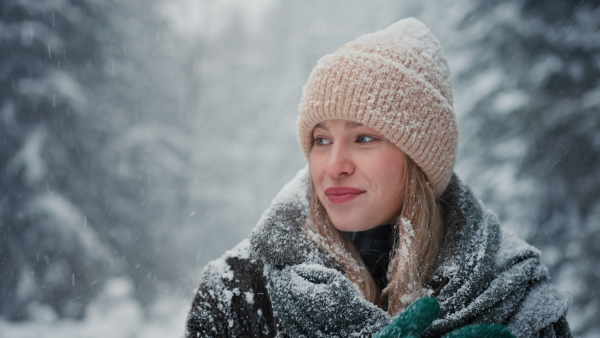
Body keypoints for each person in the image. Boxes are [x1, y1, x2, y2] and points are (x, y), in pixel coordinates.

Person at [185, 18, 571, 337]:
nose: (334, 165)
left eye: (364, 138)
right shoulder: (240, 292)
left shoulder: (515, 295)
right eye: (321, 140)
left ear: (419, 159)